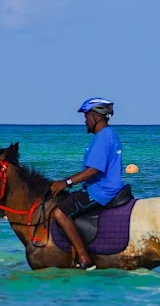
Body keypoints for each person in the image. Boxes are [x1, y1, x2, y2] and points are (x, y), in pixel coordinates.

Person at [49, 97, 125, 269]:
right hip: (103, 188)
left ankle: (84, 258)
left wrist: (66, 182)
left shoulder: (103, 137)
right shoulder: (109, 134)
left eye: (86, 117)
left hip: (101, 191)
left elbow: (93, 170)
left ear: (96, 117)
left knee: (60, 213)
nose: (85, 121)